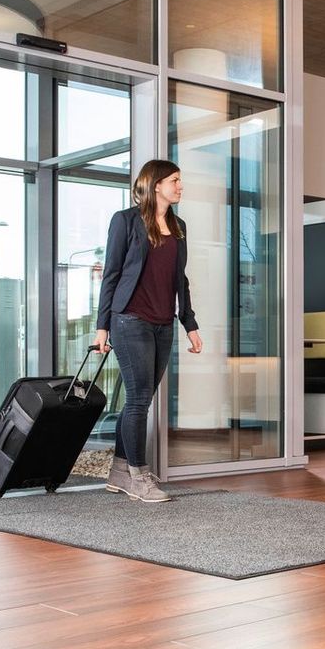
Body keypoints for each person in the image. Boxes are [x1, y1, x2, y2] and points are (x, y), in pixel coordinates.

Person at [94, 160, 203, 501]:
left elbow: (179, 280)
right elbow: (111, 274)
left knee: (140, 399)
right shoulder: (125, 221)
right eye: (175, 180)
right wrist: (102, 327)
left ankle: (119, 471)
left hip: (162, 323)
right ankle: (139, 477)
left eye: (180, 181)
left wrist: (190, 324)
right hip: (129, 319)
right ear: (156, 185)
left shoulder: (178, 226)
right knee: (139, 398)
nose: (180, 186)